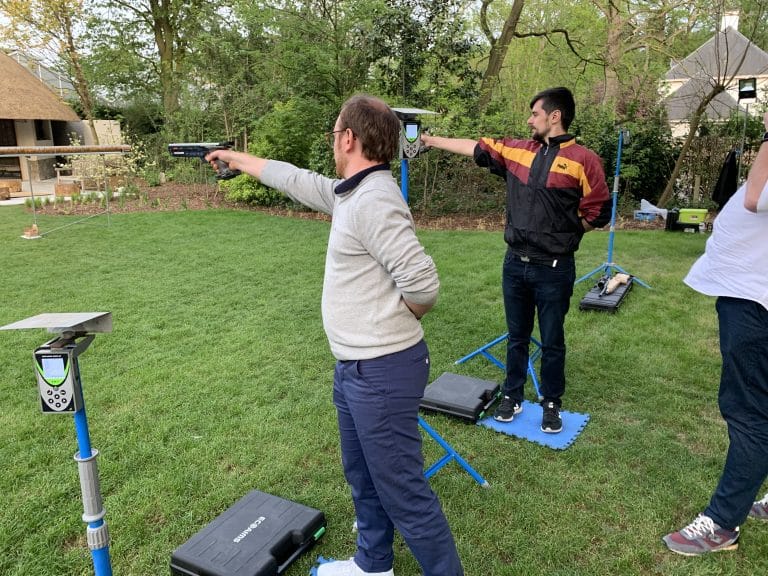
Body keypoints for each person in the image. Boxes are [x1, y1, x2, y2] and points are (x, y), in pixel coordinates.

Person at [206, 95, 463, 576]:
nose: (332, 143)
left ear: (348, 139)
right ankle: (373, 565)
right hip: (355, 369)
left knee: (404, 493)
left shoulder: (373, 200)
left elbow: (424, 285)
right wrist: (237, 159)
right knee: (363, 476)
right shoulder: (352, 192)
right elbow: (295, 179)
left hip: (382, 371)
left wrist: (396, 318)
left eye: (333, 133)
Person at [421, 87, 611, 433]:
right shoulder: (519, 151)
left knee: (552, 341)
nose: (529, 120)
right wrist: (430, 141)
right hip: (515, 265)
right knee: (516, 337)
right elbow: (475, 147)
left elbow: (599, 211)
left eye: (535, 114)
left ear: (555, 116)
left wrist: (568, 234)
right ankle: (512, 396)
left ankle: (551, 404)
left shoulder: (584, 160)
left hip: (554, 269)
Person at [662, 111, 768, 556]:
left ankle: (723, 523)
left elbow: (755, 199)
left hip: (754, 300)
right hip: (750, 293)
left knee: (749, 413)